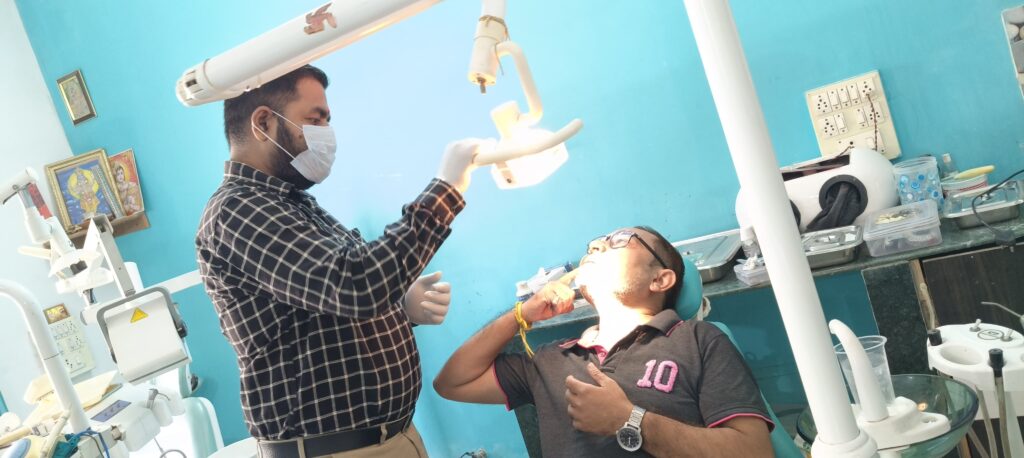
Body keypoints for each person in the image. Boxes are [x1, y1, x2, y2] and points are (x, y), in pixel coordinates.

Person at [195, 64, 481, 457]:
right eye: (315, 120)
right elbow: (354, 283)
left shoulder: (294, 205)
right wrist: (445, 191)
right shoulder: (237, 211)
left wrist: (399, 306)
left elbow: (327, 304)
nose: (327, 134)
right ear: (263, 123)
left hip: (390, 438)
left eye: (327, 121)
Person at [434, 226, 774, 457]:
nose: (595, 247)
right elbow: (451, 383)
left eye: (620, 240)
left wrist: (629, 419)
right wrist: (520, 315)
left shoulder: (698, 340)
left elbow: (754, 452)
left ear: (660, 279)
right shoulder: (550, 360)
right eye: (595, 245)